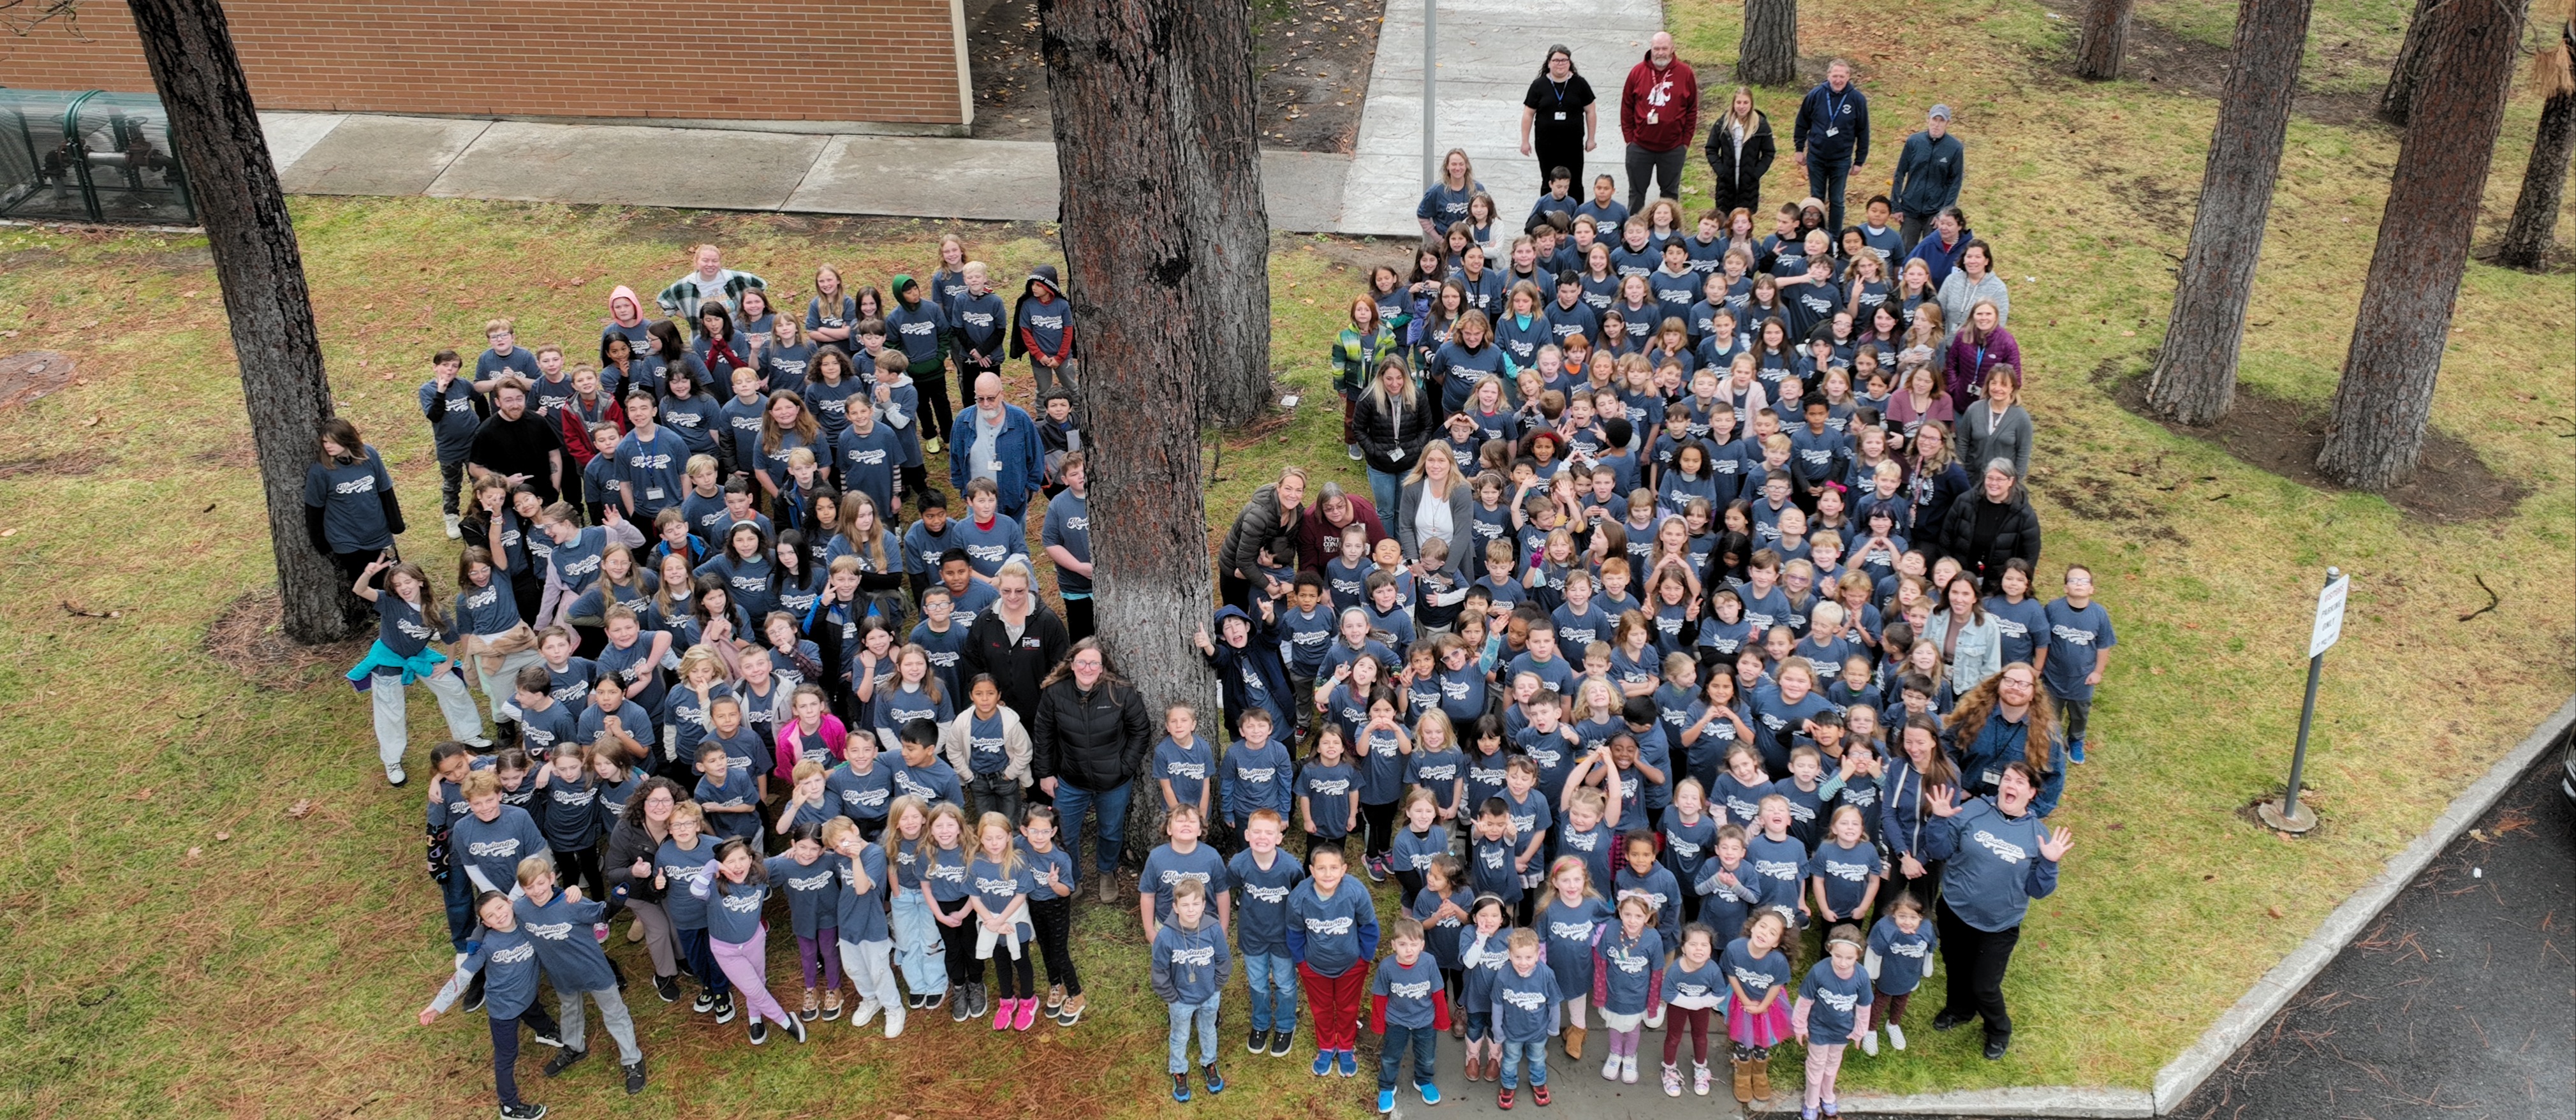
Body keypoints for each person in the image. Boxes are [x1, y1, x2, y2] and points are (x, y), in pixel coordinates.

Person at [1918, 765, 2072, 1059]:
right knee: (1956, 967)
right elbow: (1939, 851)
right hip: (1955, 910)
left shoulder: (2037, 835)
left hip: (1999, 925)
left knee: (1984, 986)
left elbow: (2039, 891)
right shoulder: (1974, 809)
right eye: (2007, 779)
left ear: (2031, 793)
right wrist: (1938, 819)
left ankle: (1999, 1030)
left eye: (2019, 782)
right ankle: (1959, 1010)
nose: (2010, 785)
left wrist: (2050, 863)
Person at [416, 890, 564, 1120]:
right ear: (485, 923)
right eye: (491, 916)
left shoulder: (529, 925)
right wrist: (438, 1005)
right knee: (506, 1057)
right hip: (503, 1010)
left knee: (534, 1010)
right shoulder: (487, 946)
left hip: (527, 995)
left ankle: (546, 1032)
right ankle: (509, 1107)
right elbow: (464, 975)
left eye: (500, 907)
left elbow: (543, 896)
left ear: (509, 902)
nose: (499, 915)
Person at [511, 857, 649, 1095]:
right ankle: (574, 1047)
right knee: (570, 1010)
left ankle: (632, 1060)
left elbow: (604, 914)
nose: (537, 891)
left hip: (594, 971)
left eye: (541, 883)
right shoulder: (521, 909)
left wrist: (618, 896)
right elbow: (497, 917)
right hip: (561, 975)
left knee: (615, 1013)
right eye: (529, 887)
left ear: (552, 879)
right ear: (522, 889)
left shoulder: (571, 902)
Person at [1031, 638, 1154, 903]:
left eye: (1094, 663)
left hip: (1114, 781)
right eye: (1082, 662)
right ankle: (1072, 877)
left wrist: (1125, 767)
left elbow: (1140, 731)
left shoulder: (1120, 692)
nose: (1087, 668)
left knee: (1110, 831)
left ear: (1102, 667)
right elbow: (1044, 735)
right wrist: (1045, 773)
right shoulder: (1055, 693)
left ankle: (1106, 872)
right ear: (1072, 664)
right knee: (1065, 831)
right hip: (1070, 779)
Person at [347, 559, 487, 784]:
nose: (404, 587)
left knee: (452, 686)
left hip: (418, 656)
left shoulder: (433, 609)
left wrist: (450, 663)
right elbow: (360, 590)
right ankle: (392, 760)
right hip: (388, 661)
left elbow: (449, 637)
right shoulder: (389, 602)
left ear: (420, 582)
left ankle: (469, 734)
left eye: (408, 582)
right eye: (398, 584)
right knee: (391, 712)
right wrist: (367, 572)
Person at [1289, 845, 1381, 1079]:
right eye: (1321, 868)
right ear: (1311, 870)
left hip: (1351, 965)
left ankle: (1347, 1047)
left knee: (1348, 1007)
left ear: (1344, 870)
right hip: (1315, 967)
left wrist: (1364, 958)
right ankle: (1327, 1046)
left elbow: (1369, 927)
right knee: (1321, 1008)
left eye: (1333, 868)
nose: (1327, 874)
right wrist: (1302, 963)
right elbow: (1294, 931)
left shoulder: (1355, 892)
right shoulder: (1300, 897)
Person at [1228, 809, 1307, 1057]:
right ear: (1247, 834)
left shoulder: (1291, 868)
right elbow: (1230, 887)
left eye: (1269, 832)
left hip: (1283, 937)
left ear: (1279, 837)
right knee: (1258, 984)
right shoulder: (1239, 864)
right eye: (1257, 831)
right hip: (1252, 935)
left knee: (1284, 984)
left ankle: (1285, 1026)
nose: (1263, 837)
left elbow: (1300, 898)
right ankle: (1260, 1024)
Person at [960, 560, 1070, 728]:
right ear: (998, 589)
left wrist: (1048, 702)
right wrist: (989, 697)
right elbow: (972, 662)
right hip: (997, 711)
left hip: (1040, 715)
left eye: (1019, 591)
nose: (1013, 597)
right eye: (1006, 591)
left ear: (1029, 587)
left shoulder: (1047, 621)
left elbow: (1062, 667)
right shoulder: (985, 621)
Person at [1154, 878, 1233, 1102]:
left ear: (1203, 905)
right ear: (1175, 907)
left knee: (1208, 1030)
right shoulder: (1166, 936)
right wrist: (1171, 996)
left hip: (1209, 995)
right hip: (1180, 999)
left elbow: (1223, 960)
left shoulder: (1213, 929)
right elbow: (1159, 970)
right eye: (1185, 905)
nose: (1191, 910)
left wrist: (1216, 986)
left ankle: (1209, 1063)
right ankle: (1179, 1070)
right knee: (1180, 1036)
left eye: (1196, 904)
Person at [2035, 564, 2116, 766]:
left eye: (2084, 581)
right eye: (2073, 580)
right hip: (2053, 676)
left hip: (2083, 679)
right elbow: (2043, 640)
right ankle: (2053, 742)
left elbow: (2104, 646)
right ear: (2065, 588)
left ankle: (2076, 739)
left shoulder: (2099, 614)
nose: (2078, 584)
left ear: (2092, 589)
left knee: (2080, 714)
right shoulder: (2053, 609)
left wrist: (2098, 672)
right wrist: (2039, 667)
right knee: (2050, 712)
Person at [1371, 915, 1452, 1112]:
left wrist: (1442, 1020)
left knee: (1426, 1056)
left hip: (1424, 1019)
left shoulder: (1429, 962)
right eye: (1403, 944)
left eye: (1414, 944)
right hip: (1397, 1020)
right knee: (1391, 1056)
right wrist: (1378, 1024)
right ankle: (1387, 1087)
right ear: (1393, 945)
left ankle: (1424, 1081)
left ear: (1422, 945)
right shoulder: (1387, 967)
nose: (1409, 950)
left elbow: (1437, 992)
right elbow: (1380, 997)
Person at [947, 373, 1045, 524]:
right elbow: (955, 458)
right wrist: (963, 491)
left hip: (1014, 504)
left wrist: (1028, 491)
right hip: (976, 504)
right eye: (980, 399)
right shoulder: (963, 421)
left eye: (991, 398)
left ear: (1002, 394)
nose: (986, 403)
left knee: (1015, 545)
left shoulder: (1020, 419)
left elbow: (1036, 456)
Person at [1790, 59, 1872, 238]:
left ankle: (1834, 237)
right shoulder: (1816, 95)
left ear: (1848, 77)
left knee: (1837, 200)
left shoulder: (1857, 99)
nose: (1838, 80)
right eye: (1835, 76)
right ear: (1828, 76)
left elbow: (1863, 132)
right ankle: (1815, 235)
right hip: (1816, 157)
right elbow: (1802, 123)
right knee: (1817, 198)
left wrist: (1860, 161)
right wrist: (1799, 149)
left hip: (1841, 159)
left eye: (1842, 76)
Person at [1619, 33, 1699, 211]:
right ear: (1651, 49)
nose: (1660, 53)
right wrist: (1630, 139)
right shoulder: (1637, 72)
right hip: (1640, 147)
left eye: (1664, 48)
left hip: (1673, 148)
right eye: (1657, 48)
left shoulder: (1685, 73)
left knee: (1670, 196)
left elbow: (1692, 110)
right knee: (1636, 195)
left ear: (1672, 48)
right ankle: (1633, 233)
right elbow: (1626, 107)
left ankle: (1669, 235)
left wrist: (1685, 143)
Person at [1936, 461, 2042, 595]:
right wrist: (1950, 571)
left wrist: (2012, 582)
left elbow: (2030, 556)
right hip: (1961, 578)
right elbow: (1946, 538)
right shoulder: (1964, 502)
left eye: (2000, 479)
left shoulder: (2024, 514)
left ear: (2011, 481)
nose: (1993, 483)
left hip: (1998, 585)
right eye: (1990, 478)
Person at [1490, 927, 1563, 1109]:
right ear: (1510, 955)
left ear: (1538, 955)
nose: (1523, 963)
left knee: (1538, 1058)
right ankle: (1508, 1085)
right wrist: (1497, 1028)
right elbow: (1497, 1004)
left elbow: (1554, 1003)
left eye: (1529, 957)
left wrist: (1554, 1026)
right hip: (1512, 1030)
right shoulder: (1503, 975)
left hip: (1538, 1031)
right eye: (1518, 957)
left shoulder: (1546, 975)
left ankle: (1538, 1082)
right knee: (1510, 1060)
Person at [1218, 466, 1307, 609]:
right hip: (1237, 569)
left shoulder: (1297, 513)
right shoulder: (1258, 515)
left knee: (1265, 615)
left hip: (1266, 566)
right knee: (1236, 613)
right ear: (1278, 488)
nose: (1293, 495)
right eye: (1288, 489)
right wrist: (1270, 587)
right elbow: (1244, 560)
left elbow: (1287, 550)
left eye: (1299, 490)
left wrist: (1284, 581)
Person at [1354, 358, 1432, 519]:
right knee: (1385, 512)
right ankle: (1387, 544)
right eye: (1389, 378)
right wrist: (1374, 451)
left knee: (1403, 511)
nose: (1395, 384)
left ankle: (1402, 544)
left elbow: (1427, 427)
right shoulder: (1368, 398)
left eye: (1399, 378)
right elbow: (1358, 429)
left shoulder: (1418, 396)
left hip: (1409, 463)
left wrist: (1416, 449)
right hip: (1380, 466)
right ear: (1381, 377)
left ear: (1405, 377)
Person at [418, 350, 485, 538]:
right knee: (451, 484)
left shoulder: (464, 384)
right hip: (449, 448)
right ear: (435, 367)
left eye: (454, 366)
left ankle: (480, 515)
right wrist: (441, 391)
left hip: (473, 443)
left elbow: (479, 400)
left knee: (479, 481)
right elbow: (434, 415)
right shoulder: (427, 390)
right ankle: (451, 517)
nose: (450, 369)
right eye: (446, 365)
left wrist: (484, 425)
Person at [471, 377, 567, 504]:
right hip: (508, 498)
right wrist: (503, 481)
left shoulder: (538, 421)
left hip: (543, 496)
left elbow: (554, 454)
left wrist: (555, 490)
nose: (515, 405)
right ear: (497, 402)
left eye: (519, 399)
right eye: (508, 400)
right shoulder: (486, 431)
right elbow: (474, 468)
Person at [1521, 45, 1600, 189]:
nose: (1560, 64)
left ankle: (1575, 211)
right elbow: (1528, 114)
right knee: (1549, 181)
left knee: (1575, 182)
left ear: (1570, 63)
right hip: (1546, 145)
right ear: (1549, 63)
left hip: (1573, 145)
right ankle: (1549, 211)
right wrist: (1525, 142)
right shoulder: (1538, 85)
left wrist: (1591, 139)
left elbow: (1591, 111)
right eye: (1556, 60)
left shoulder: (1580, 84)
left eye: (1564, 60)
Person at [1890, 105, 1964, 253]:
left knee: (1933, 253)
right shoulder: (1914, 142)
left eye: (1941, 121)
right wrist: (1896, 206)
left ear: (1947, 123)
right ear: (1928, 120)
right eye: (1934, 119)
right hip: (1910, 209)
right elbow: (1900, 173)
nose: (1937, 124)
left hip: (1935, 212)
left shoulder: (1955, 148)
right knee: (1906, 253)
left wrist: (1944, 214)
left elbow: (1955, 183)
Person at [1704, 87, 1776, 218]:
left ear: (1751, 104)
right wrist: (1721, 171)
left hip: (1748, 187)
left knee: (1743, 225)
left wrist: (1755, 174)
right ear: (1733, 104)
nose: (1742, 106)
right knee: (1725, 224)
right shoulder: (1722, 124)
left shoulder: (1761, 125)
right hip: (1726, 186)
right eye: (1739, 102)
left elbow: (1769, 153)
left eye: (1745, 103)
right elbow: (1711, 149)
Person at [1010, 264, 1078, 397]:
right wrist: (1039, 355)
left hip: (1063, 357)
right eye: (1033, 284)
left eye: (1038, 285)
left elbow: (1068, 332)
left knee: (1072, 388)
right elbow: (1026, 333)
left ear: (1049, 286)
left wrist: (1060, 357)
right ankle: (1042, 418)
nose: (1034, 288)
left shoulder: (1062, 305)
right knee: (1043, 391)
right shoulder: (1028, 305)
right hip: (1040, 358)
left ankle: (1078, 415)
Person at [653, 243, 764, 323]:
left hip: (737, 334)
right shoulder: (686, 285)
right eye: (705, 260)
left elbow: (761, 285)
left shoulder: (734, 279)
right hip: (705, 338)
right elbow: (663, 301)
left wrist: (751, 307)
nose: (710, 264)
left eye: (715, 261)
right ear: (697, 262)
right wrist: (691, 318)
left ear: (720, 263)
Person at [1957, 367, 2033, 482]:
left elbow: (2023, 453)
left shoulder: (2021, 417)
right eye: (1994, 383)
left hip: (2001, 485)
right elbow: (1962, 441)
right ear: (1988, 385)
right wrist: (1961, 471)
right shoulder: (1974, 410)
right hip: (1971, 480)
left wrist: (2015, 483)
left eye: (2004, 384)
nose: (1998, 388)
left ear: (2012, 388)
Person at [1418, 149, 1487, 240]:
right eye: (1454, 164)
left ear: (1466, 165)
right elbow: (1422, 216)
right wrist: (1439, 240)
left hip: (1472, 244)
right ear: (1447, 166)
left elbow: (1488, 215)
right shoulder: (1436, 191)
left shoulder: (1478, 189)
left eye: (1461, 164)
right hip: (1446, 244)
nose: (1458, 168)